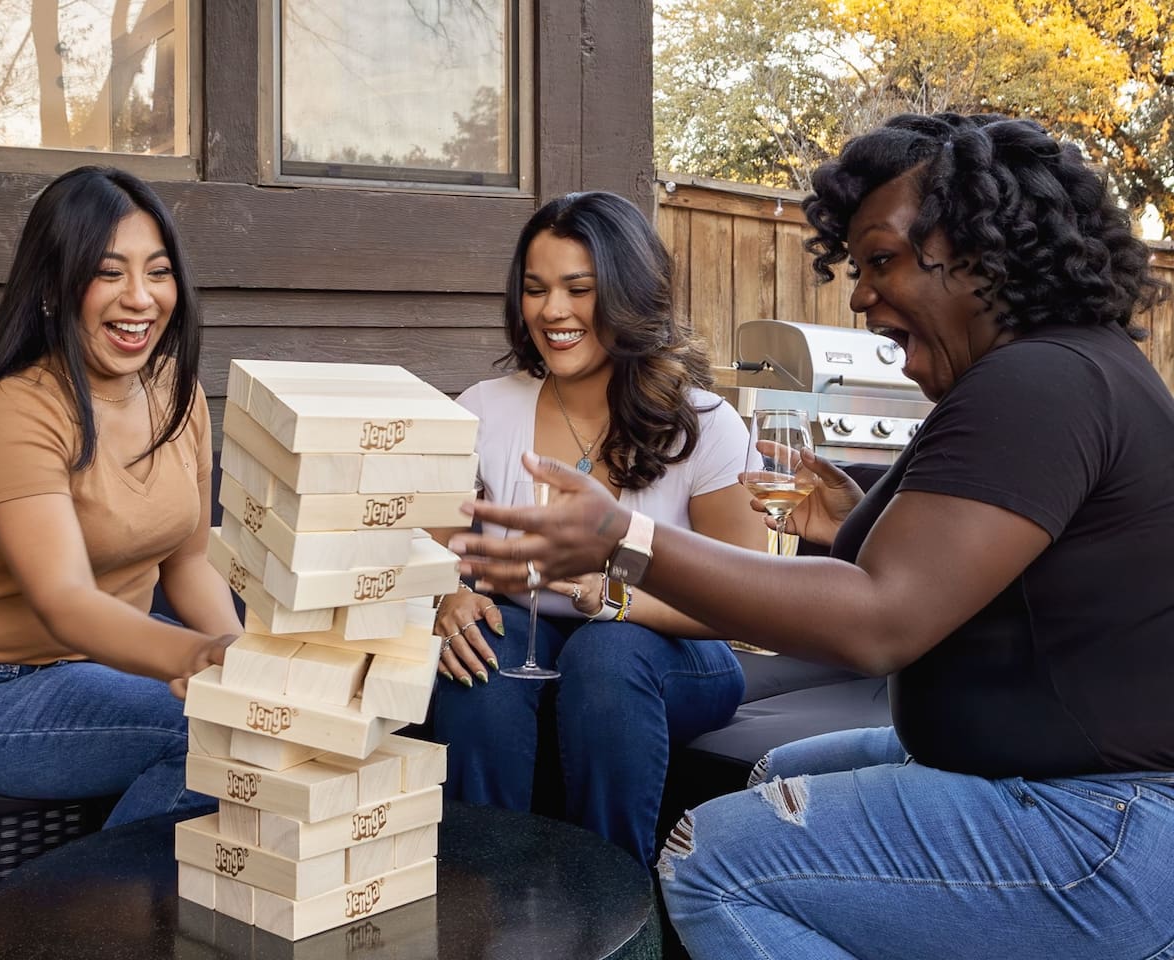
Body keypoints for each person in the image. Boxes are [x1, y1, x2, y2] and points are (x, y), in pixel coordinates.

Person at [448, 113, 1174, 958]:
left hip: (1097, 825)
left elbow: (878, 624)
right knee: (771, 778)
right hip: (1065, 784)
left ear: (982, 253)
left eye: (883, 262)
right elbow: (954, 556)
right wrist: (849, 517)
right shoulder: (1068, 368)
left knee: (709, 862)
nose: (860, 295)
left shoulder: (1037, 385)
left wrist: (622, 537)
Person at [430, 191, 768, 869]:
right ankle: (478, 907)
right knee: (480, 665)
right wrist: (447, 599)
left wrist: (610, 599)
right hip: (534, 631)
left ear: (628, 294)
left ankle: (613, 906)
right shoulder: (484, 411)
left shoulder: (703, 425)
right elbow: (432, 550)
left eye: (577, 289)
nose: (552, 311)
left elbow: (742, 599)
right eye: (535, 289)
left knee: (606, 654)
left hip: (675, 650)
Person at [0, 166, 241, 828]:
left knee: (272, 716)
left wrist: (243, 656)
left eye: (158, 271)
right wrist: (198, 658)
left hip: (106, 667)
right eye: (109, 273)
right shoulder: (13, 411)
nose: (140, 298)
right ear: (54, 288)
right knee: (221, 730)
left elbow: (190, 564)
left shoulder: (181, 393)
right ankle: (93, 925)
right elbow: (65, 601)